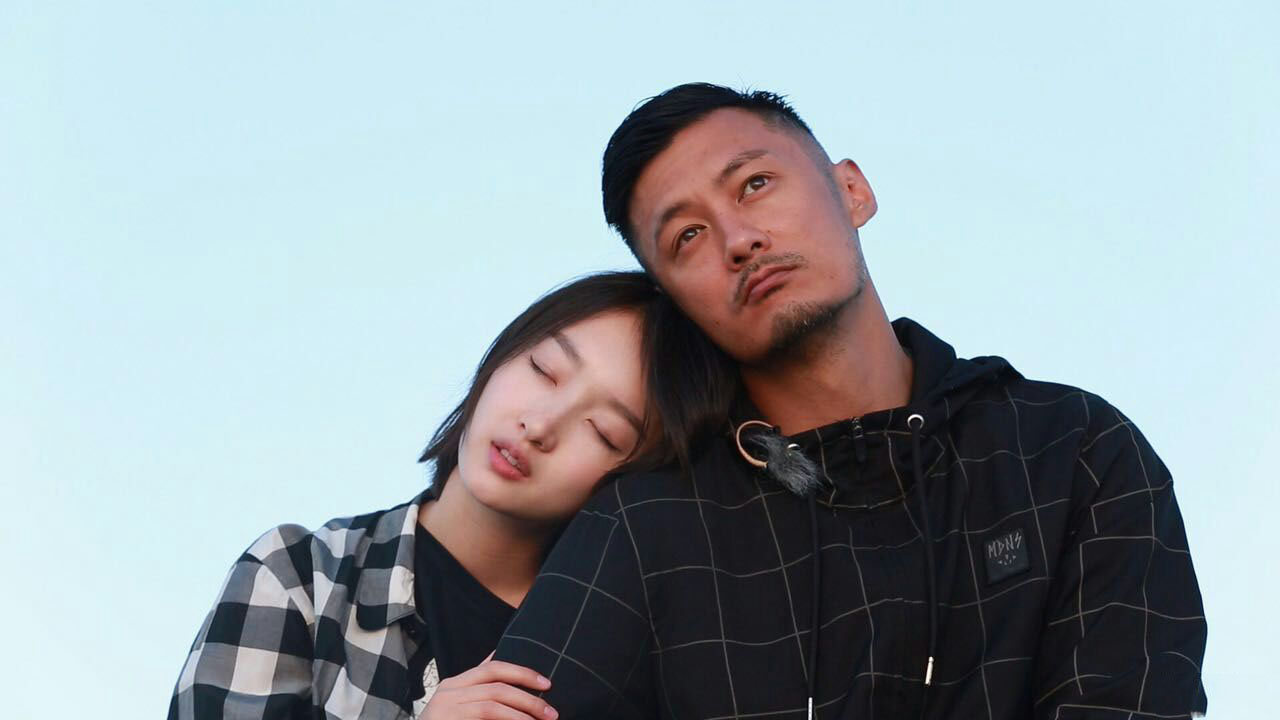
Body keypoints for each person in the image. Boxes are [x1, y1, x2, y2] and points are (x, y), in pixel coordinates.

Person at [492, 83, 1209, 719]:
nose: (738, 240)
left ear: (852, 190)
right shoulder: (644, 527)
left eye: (754, 184)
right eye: (688, 236)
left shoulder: (1068, 450)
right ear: (676, 302)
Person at [167, 271, 737, 720]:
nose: (540, 425)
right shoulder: (300, 577)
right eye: (544, 369)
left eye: (603, 431)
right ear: (500, 356)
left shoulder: (624, 653)